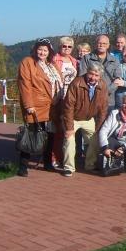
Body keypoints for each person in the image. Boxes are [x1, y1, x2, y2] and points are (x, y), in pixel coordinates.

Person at [17, 38, 63, 177]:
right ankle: (23, 166)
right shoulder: (28, 62)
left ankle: (48, 163)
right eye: (40, 49)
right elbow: (25, 84)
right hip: (36, 106)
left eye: (45, 50)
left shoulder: (52, 65)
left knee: (49, 136)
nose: (42, 52)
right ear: (35, 50)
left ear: (49, 52)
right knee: (31, 136)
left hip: (52, 106)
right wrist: (28, 105)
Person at [62, 61, 109, 176]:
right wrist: (69, 128)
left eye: (96, 75)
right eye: (91, 74)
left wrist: (99, 129)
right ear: (87, 72)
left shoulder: (102, 86)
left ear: (100, 76)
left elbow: (103, 109)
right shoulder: (77, 83)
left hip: (88, 119)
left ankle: (90, 165)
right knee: (69, 141)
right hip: (73, 118)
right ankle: (68, 167)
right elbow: (68, 106)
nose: (93, 77)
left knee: (96, 140)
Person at [51, 36, 79, 168]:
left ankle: (65, 158)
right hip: (58, 98)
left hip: (71, 99)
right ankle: (54, 157)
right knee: (58, 130)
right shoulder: (54, 60)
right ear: (59, 47)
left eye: (69, 47)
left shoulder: (75, 61)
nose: (66, 49)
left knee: (68, 130)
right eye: (64, 46)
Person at [98, 94, 126, 174]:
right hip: (115, 141)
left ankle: (122, 162)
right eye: (125, 103)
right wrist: (105, 147)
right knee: (109, 141)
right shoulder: (114, 113)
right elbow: (103, 131)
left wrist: (123, 148)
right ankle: (111, 163)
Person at [79, 34, 122, 109]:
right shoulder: (87, 58)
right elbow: (82, 77)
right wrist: (94, 91)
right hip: (90, 99)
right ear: (96, 44)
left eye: (104, 43)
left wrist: (104, 91)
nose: (101, 45)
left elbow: (117, 80)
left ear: (108, 45)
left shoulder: (114, 61)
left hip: (108, 101)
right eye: (99, 43)